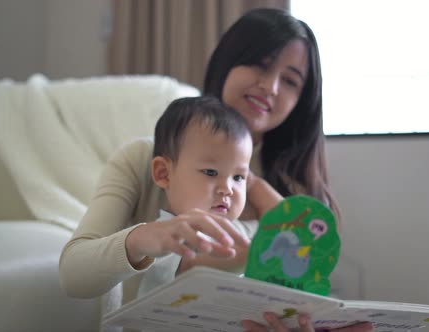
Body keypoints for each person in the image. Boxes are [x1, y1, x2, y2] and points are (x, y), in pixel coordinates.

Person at [60, 7, 373, 332]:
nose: (271, 87)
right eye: (260, 65)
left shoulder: (292, 202)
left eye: (290, 80)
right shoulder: (143, 157)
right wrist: (144, 237)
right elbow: (74, 274)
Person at [137, 95, 283, 296]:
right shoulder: (165, 233)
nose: (228, 189)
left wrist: (255, 183)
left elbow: (285, 219)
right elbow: (194, 267)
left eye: (238, 177)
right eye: (211, 172)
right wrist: (257, 253)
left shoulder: (240, 230)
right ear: (164, 173)